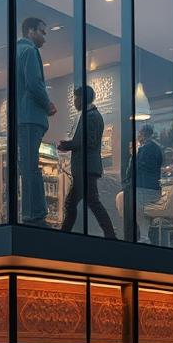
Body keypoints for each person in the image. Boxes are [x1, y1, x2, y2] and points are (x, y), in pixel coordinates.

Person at [58, 85, 116, 238]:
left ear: (82, 98)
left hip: (86, 168)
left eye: (76, 98)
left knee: (89, 202)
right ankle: (64, 235)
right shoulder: (90, 115)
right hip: (86, 168)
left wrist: (67, 145)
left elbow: (87, 141)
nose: (74, 101)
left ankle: (110, 235)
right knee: (75, 203)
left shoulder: (91, 117)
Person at [15, 17, 56, 225]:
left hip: (21, 118)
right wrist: (48, 104)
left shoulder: (15, 52)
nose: (44, 37)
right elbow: (34, 83)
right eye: (42, 32)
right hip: (31, 116)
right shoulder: (30, 51)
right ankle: (35, 213)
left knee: (27, 165)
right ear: (30, 31)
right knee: (31, 166)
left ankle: (30, 212)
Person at [124, 124, 163, 243]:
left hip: (142, 185)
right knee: (147, 213)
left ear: (143, 134)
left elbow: (132, 169)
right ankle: (145, 236)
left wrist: (133, 154)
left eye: (139, 133)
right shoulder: (158, 149)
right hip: (154, 187)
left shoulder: (142, 149)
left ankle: (144, 237)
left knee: (140, 213)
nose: (138, 136)